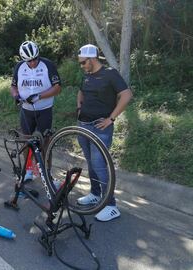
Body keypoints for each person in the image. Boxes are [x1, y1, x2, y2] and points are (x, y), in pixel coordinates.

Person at [76, 44, 133, 222]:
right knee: (91, 163)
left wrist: (111, 118)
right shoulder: (87, 75)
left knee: (100, 164)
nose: (82, 66)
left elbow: (126, 95)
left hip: (100, 127)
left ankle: (110, 205)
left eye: (83, 62)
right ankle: (95, 193)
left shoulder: (110, 74)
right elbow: (80, 93)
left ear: (93, 59)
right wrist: (79, 108)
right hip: (82, 125)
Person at [11, 41, 61, 181]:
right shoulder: (19, 67)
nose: (33, 62)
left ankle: (46, 172)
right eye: (29, 60)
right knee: (26, 141)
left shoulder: (48, 65)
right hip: (26, 111)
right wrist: (15, 96)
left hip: (44, 110)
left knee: (45, 143)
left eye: (35, 59)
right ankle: (27, 171)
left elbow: (57, 88)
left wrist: (39, 96)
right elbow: (13, 86)